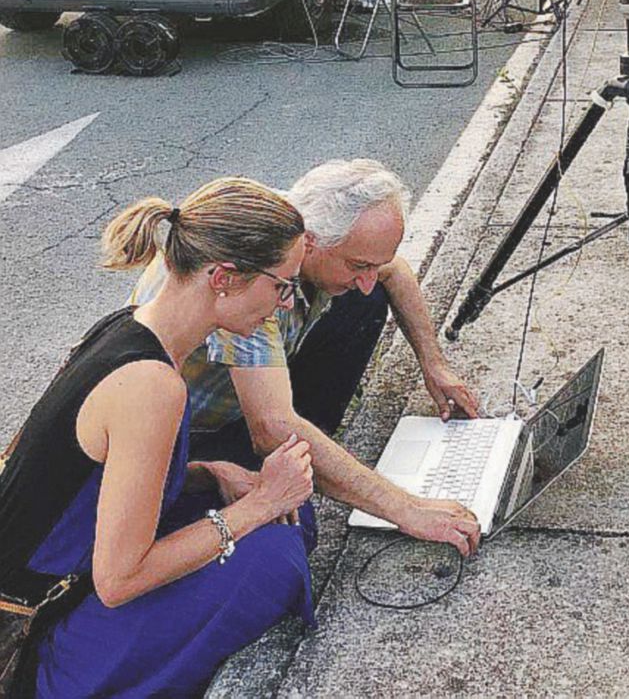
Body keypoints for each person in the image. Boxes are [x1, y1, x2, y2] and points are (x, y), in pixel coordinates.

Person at [0, 178, 315, 697]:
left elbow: (83, 480)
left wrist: (209, 473)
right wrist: (259, 504)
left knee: (288, 517)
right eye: (281, 284)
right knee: (273, 553)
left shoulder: (127, 328)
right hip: (32, 634)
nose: (284, 304)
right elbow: (120, 581)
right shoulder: (152, 386)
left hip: (62, 577)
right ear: (224, 277)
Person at [132, 159, 484, 551]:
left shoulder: (296, 225)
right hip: (194, 437)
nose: (369, 279)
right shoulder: (248, 283)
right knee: (291, 531)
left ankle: (314, 440)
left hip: (244, 394)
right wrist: (408, 509)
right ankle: (308, 450)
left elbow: (393, 271)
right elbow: (269, 426)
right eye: (358, 264)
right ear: (311, 243)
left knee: (362, 298)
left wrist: (433, 364)